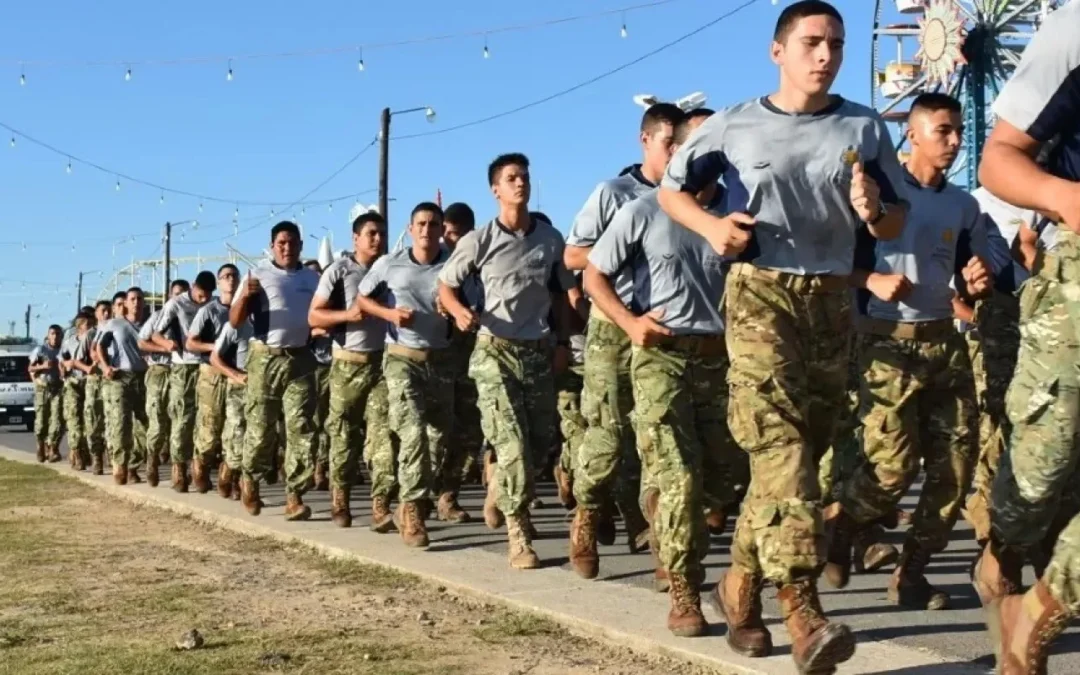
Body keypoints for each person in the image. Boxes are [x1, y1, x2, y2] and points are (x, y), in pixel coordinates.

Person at [657, 1, 908, 669]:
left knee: (792, 462)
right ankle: (803, 610)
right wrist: (712, 230)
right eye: (812, 42)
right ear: (778, 52)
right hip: (761, 293)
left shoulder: (864, 126)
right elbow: (670, 191)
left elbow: (895, 220)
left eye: (837, 44)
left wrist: (876, 212)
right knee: (785, 449)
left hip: (831, 305)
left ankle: (739, 586)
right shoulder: (736, 125)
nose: (825, 55)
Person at [826, 93, 990, 611]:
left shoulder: (963, 205)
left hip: (944, 344)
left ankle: (912, 574)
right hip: (884, 346)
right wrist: (870, 278)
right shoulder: (873, 195)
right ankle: (842, 524)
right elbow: (831, 267)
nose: (955, 140)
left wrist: (977, 277)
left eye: (958, 130)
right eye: (943, 130)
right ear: (912, 135)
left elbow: (972, 271)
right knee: (892, 468)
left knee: (955, 470)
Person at [586, 110, 742, 637]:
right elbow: (592, 275)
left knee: (727, 476)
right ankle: (684, 591)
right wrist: (630, 324)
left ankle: (663, 514)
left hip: (719, 359)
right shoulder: (642, 209)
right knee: (681, 476)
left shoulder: (738, 214)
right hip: (661, 357)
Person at [970, 2, 1080, 669]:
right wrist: (1066, 198)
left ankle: (1038, 609)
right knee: (1042, 466)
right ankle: (1004, 552)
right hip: (1075, 278)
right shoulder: (1074, 30)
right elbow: (999, 160)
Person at [438, 153, 576, 569]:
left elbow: (564, 295)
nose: (521, 184)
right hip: (493, 351)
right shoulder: (479, 240)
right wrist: (459, 311)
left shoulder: (550, 239)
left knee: (536, 446)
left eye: (525, 177)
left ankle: (498, 480)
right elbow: (445, 286)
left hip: (536, 351)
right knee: (514, 444)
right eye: (512, 178)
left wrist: (565, 341)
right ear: (495, 189)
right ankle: (519, 535)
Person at [564, 103, 686, 557]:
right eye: (667, 143)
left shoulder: (688, 195)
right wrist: (622, 246)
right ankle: (588, 509)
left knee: (658, 434)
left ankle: (661, 539)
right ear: (646, 141)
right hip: (613, 324)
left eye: (681, 144)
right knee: (610, 436)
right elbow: (573, 256)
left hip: (663, 327)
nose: (675, 152)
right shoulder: (615, 192)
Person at [356, 202, 455, 548]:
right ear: (411, 229)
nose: (427, 230)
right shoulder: (389, 263)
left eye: (433, 224)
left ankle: (413, 499)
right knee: (411, 430)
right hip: (401, 358)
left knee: (437, 438)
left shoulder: (453, 262)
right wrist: (389, 314)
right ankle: (411, 509)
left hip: (440, 359)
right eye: (421, 224)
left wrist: (453, 308)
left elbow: (473, 302)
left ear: (442, 228)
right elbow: (362, 300)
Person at [230, 221, 321, 521]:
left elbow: (320, 313)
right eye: (281, 242)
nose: (287, 247)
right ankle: (250, 479)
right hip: (265, 359)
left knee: (301, 429)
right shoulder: (257, 274)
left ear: (300, 245)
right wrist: (245, 296)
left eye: (293, 242)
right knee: (261, 427)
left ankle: (294, 495)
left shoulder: (312, 277)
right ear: (272, 246)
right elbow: (234, 320)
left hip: (300, 359)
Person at [308, 211, 391, 529]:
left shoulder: (391, 268)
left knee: (382, 434)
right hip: (347, 364)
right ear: (355, 237)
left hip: (383, 364)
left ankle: (380, 505)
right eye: (371, 233)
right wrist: (347, 316)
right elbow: (314, 317)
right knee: (343, 436)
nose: (378, 239)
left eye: (382, 233)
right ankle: (340, 500)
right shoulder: (339, 270)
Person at [439, 201, 484, 520]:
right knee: (435, 430)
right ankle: (417, 496)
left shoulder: (482, 261)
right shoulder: (436, 262)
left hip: (474, 352)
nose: (448, 240)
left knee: (469, 429)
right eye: (446, 233)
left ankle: (448, 495)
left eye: (454, 234)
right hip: (439, 354)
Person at [152, 270, 215, 491]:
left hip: (208, 366)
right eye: (200, 294)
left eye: (208, 294)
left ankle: (200, 466)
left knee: (207, 419)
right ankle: (179, 467)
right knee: (182, 419)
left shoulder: (212, 305)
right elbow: (155, 333)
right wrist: (166, 344)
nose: (204, 298)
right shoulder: (176, 304)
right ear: (192, 286)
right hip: (183, 367)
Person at [185, 265, 238, 493]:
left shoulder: (245, 308)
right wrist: (214, 346)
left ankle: (229, 475)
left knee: (236, 426)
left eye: (234, 276)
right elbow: (190, 343)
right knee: (210, 429)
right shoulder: (209, 310)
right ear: (219, 283)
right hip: (212, 374)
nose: (230, 280)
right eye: (225, 277)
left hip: (237, 374)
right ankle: (201, 463)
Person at [94, 287, 149, 484]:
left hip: (143, 377)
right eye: (133, 299)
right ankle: (120, 464)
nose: (137, 302)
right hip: (120, 378)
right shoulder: (115, 324)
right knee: (120, 424)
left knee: (146, 425)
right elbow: (99, 346)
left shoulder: (149, 324)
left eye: (140, 299)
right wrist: (105, 366)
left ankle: (134, 464)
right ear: (125, 303)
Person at [139, 280, 188, 486]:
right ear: (169, 295)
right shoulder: (158, 317)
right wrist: (165, 348)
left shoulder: (191, 317)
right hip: (160, 371)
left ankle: (179, 469)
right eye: (176, 294)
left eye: (183, 294)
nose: (179, 298)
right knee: (157, 420)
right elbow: (142, 342)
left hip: (182, 371)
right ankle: (152, 460)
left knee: (180, 420)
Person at [210, 310, 254, 501]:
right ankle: (229, 469)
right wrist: (235, 375)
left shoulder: (272, 326)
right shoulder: (234, 326)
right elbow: (214, 357)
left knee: (256, 437)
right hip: (238, 385)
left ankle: (244, 484)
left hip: (262, 385)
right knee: (237, 433)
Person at [304, 259, 334, 491]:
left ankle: (324, 467)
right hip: (310, 367)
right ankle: (313, 466)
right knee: (313, 420)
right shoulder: (305, 304)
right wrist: (314, 332)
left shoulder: (331, 300)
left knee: (332, 420)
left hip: (334, 366)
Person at [60, 310, 95, 471]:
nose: (89, 327)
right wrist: (63, 370)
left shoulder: (94, 338)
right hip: (73, 381)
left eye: (90, 324)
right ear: (79, 326)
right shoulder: (69, 341)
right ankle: (76, 452)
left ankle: (86, 451)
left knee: (89, 418)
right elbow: (62, 360)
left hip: (90, 382)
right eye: (86, 325)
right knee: (74, 419)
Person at [83, 300, 113, 474]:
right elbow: (85, 356)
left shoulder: (115, 329)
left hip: (111, 381)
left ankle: (112, 455)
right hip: (95, 382)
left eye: (109, 310)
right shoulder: (91, 334)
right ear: (96, 313)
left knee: (112, 421)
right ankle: (96, 457)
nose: (106, 314)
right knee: (94, 422)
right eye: (103, 311)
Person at [29, 324, 64, 463]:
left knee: (56, 420)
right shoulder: (41, 350)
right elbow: (30, 368)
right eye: (53, 334)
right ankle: (40, 447)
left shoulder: (63, 350)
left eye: (58, 334)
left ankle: (53, 449)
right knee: (42, 420)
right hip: (43, 388)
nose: (55, 337)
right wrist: (43, 366)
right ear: (48, 335)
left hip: (57, 388)